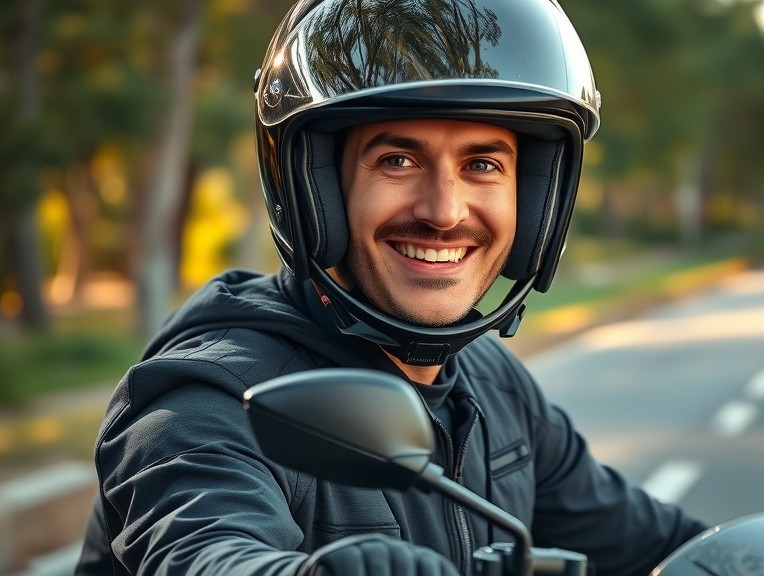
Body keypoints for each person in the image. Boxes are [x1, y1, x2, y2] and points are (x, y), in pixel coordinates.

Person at [75, 1, 709, 575]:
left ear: (535, 202)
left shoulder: (491, 382)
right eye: (397, 161)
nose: (444, 211)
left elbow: (656, 544)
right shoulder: (208, 401)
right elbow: (204, 548)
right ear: (316, 193)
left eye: (482, 164)